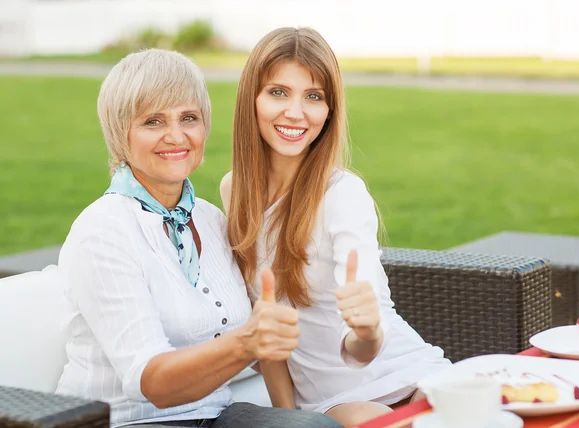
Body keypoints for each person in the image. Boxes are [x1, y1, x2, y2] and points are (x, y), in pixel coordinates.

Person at [55, 48, 341, 428]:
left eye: (188, 118)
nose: (176, 136)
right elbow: (150, 382)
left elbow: (267, 340)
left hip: (214, 415)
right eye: (153, 121)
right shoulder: (102, 231)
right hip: (127, 420)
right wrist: (246, 343)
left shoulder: (211, 220)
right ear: (119, 133)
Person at [221, 27, 452, 427]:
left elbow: (364, 344)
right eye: (278, 92)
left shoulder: (342, 194)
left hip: (405, 372)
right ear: (251, 100)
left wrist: (365, 330)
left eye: (313, 97)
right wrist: (288, 419)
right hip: (333, 402)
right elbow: (268, 333)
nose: (296, 112)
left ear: (329, 111)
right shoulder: (234, 191)